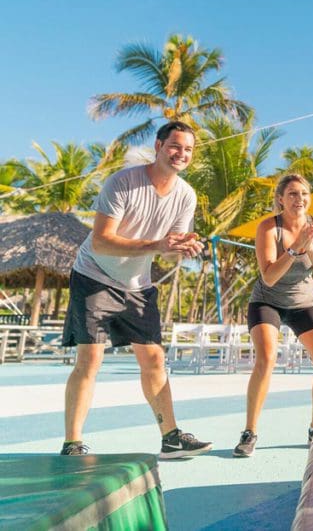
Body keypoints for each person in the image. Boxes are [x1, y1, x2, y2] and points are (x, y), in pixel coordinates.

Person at [61, 121, 212, 458]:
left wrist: (183, 247)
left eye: (188, 149)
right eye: (175, 146)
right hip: (94, 275)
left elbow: (168, 246)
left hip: (137, 285)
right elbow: (101, 241)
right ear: (158, 146)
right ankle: (72, 442)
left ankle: (171, 437)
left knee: (155, 358)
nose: (181, 154)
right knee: (90, 359)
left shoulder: (186, 195)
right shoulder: (123, 183)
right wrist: (158, 245)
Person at [233, 174, 313, 457]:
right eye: (292, 194)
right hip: (268, 301)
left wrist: (310, 247)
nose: (299, 199)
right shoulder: (269, 227)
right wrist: (293, 248)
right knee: (266, 358)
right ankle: (249, 431)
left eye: (304, 193)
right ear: (280, 199)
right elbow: (268, 277)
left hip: (304, 302)